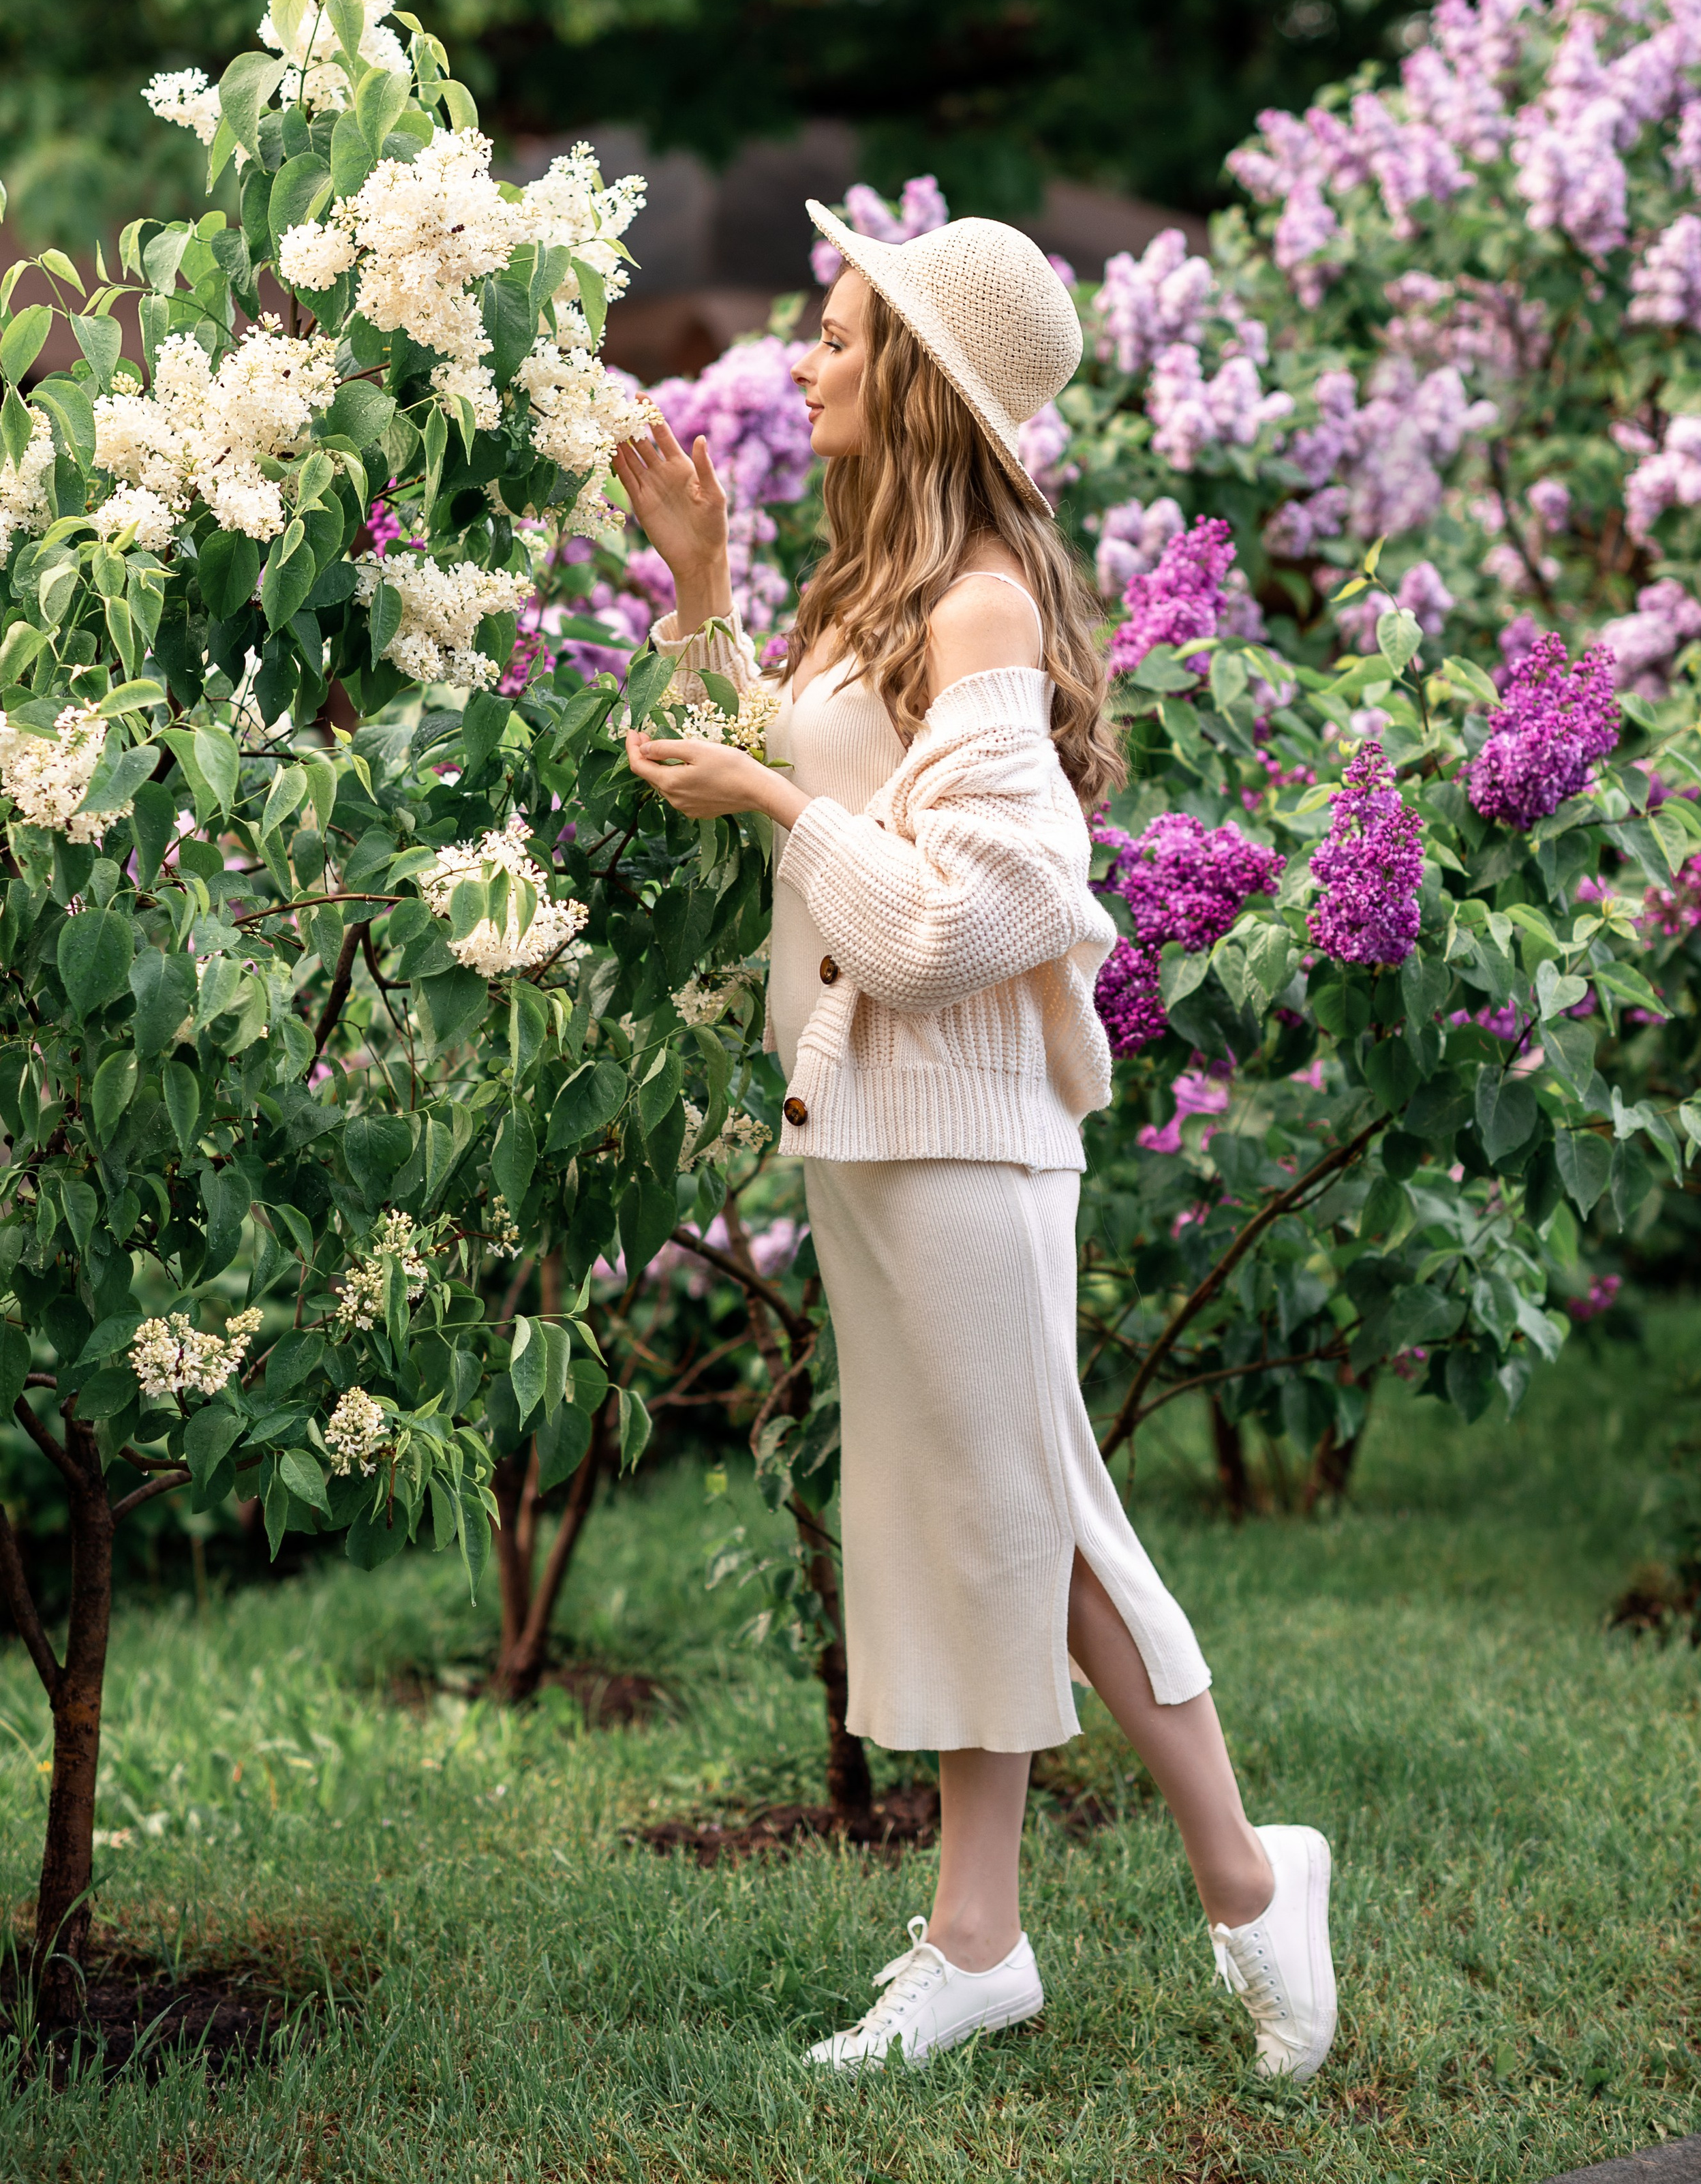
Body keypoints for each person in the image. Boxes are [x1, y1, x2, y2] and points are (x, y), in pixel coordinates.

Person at [617, 202, 1336, 2078]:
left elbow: (972, 920)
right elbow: (763, 786)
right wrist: (699, 590)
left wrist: (778, 785)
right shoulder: (875, 597)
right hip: (878, 1139)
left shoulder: (983, 607)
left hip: (969, 1141)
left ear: (924, 380)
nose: (810, 358)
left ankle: (1257, 1882)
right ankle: (977, 1941)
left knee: (1043, 1527)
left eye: (845, 334)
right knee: (964, 1531)